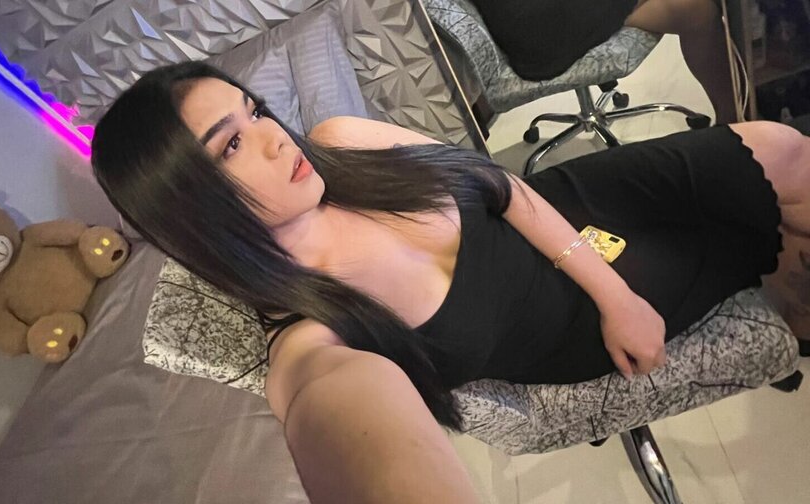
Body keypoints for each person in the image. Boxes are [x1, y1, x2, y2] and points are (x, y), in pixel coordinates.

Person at [91, 61, 809, 503]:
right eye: (232, 145)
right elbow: (329, 407)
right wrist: (608, 300)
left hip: (570, 209)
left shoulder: (341, 141)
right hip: (568, 324)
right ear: (191, 206)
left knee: (781, 151)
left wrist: (614, 291)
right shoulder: (313, 338)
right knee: (758, 235)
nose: (275, 137)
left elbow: (501, 186)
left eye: (254, 111)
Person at [467, 0, 739, 123]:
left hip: (539, 20)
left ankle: (734, 117)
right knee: (697, 9)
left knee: (695, 9)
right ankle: (735, 120)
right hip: (540, 33)